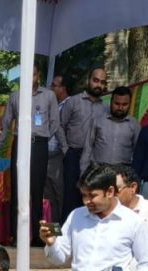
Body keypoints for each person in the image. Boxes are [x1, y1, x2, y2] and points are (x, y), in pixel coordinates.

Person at [0, 65, 67, 244]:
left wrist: (42, 137)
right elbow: (6, 124)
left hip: (38, 146)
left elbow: (54, 123)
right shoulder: (15, 96)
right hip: (19, 144)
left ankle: (37, 236)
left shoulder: (48, 95)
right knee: (17, 191)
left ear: (38, 76)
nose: (30, 78)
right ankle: (15, 236)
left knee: (37, 192)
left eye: (33, 74)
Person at [60, 68, 109, 219]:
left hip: (95, 159)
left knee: (93, 195)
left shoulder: (106, 108)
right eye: (95, 80)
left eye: (102, 82)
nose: (98, 85)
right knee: (71, 194)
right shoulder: (73, 102)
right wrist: (66, 149)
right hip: (74, 154)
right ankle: (67, 232)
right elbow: (60, 125)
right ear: (88, 80)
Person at [80, 86, 140, 175]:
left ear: (130, 104)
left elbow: (138, 153)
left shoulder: (134, 125)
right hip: (98, 173)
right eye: (117, 103)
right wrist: (83, 174)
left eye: (124, 104)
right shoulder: (98, 121)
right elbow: (87, 149)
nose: (120, 107)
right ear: (111, 102)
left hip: (122, 175)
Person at [44, 74, 69, 222]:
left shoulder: (70, 104)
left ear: (63, 88)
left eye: (54, 85)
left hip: (59, 155)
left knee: (60, 194)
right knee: (48, 196)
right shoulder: (51, 104)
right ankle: (53, 232)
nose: (51, 88)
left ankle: (62, 232)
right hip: (46, 155)